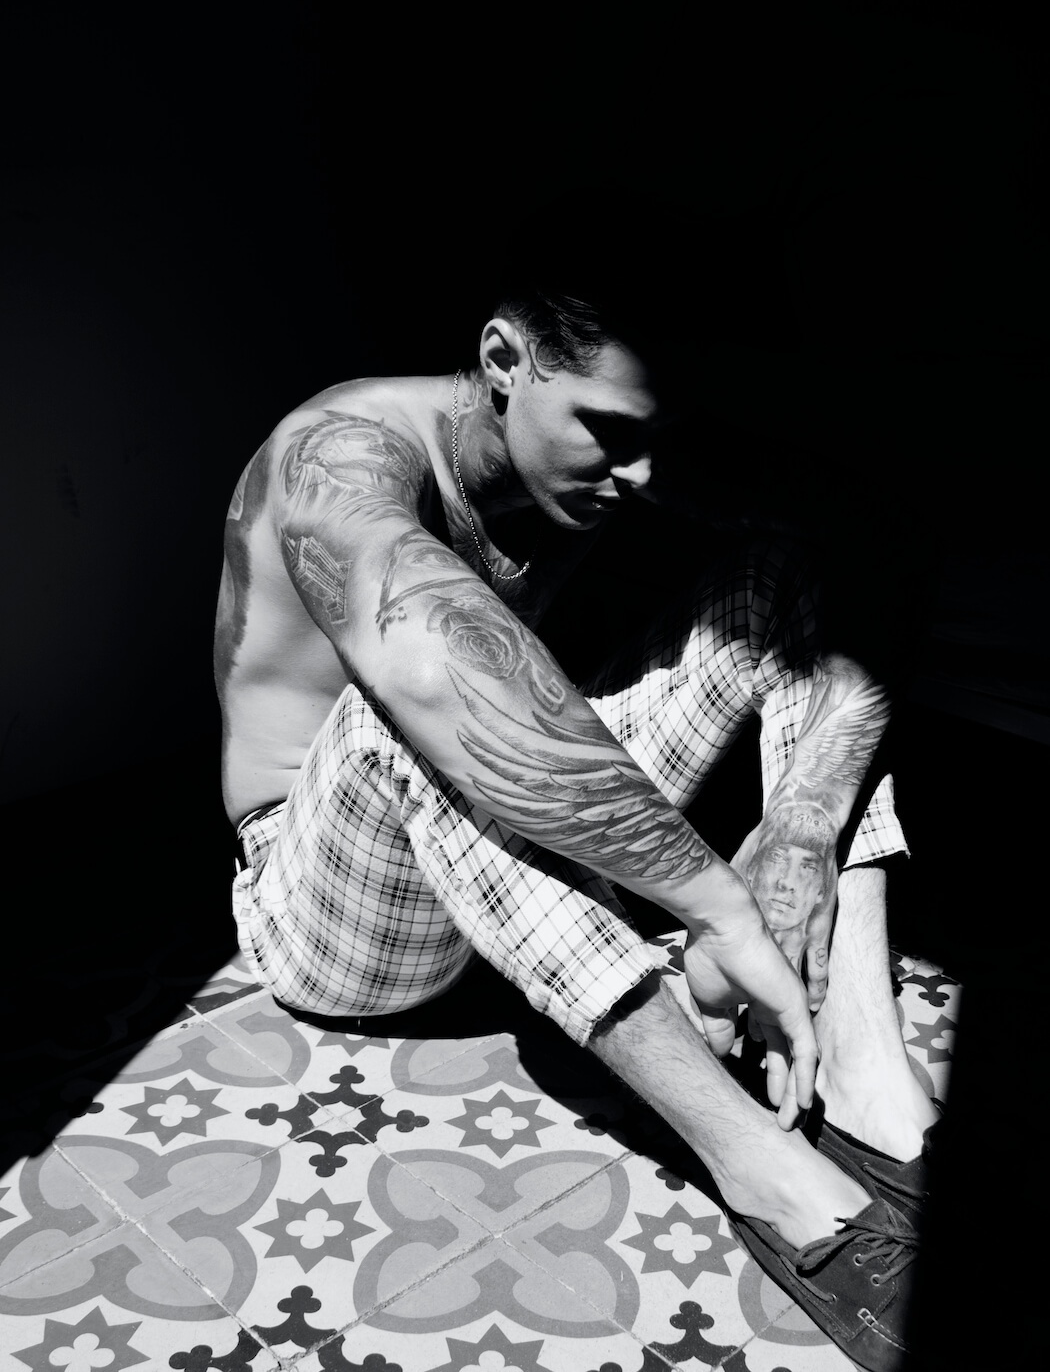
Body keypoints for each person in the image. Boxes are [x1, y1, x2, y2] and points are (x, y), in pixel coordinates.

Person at [214, 192, 940, 1369]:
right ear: (505, 360)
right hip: (331, 913)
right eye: (606, 430)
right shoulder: (339, 450)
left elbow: (882, 543)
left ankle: (863, 1068)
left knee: (792, 578)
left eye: (659, 434)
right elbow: (435, 677)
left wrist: (800, 836)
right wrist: (719, 908)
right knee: (425, 701)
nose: (641, 474)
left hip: (504, 878)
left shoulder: (626, 454)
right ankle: (759, 1165)